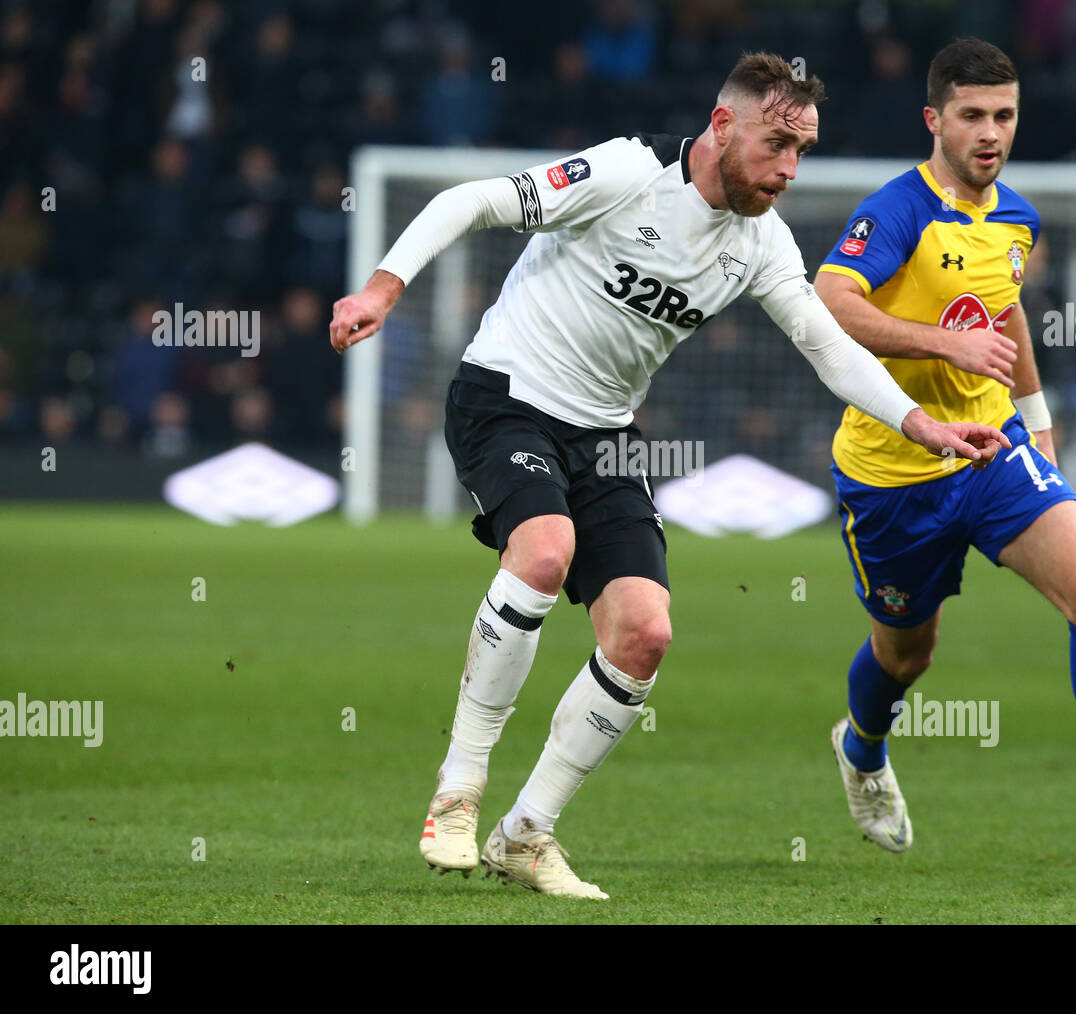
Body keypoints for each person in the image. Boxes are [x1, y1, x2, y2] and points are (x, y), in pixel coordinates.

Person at [329, 53, 1010, 899]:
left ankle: (527, 833)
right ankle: (460, 790)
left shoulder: (760, 242)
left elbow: (826, 344)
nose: (789, 170)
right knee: (543, 552)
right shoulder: (626, 171)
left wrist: (921, 424)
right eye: (777, 145)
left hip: (606, 433)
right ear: (723, 126)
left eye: (804, 152)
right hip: (507, 396)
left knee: (645, 634)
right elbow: (469, 200)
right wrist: (382, 289)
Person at [815, 37, 1076, 862]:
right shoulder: (897, 212)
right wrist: (939, 345)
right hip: (893, 476)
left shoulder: (1018, 217)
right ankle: (862, 748)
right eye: (972, 116)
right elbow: (828, 303)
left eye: (1005, 115)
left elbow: (1008, 310)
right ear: (935, 120)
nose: (991, 133)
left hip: (994, 451)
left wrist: (1041, 425)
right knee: (906, 652)